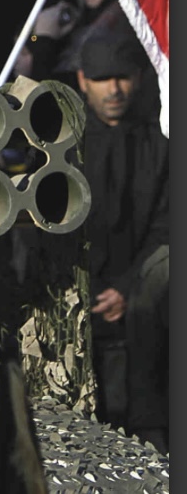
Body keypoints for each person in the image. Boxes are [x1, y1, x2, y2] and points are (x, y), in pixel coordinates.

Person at [77, 28, 169, 454]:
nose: (114, 89)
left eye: (122, 77)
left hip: (144, 307)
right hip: (77, 299)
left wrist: (129, 288)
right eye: (102, 78)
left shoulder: (160, 145)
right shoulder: (63, 148)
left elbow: (167, 227)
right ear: (83, 81)